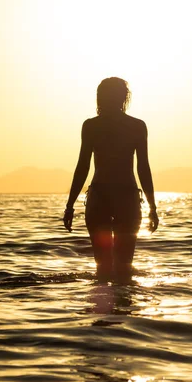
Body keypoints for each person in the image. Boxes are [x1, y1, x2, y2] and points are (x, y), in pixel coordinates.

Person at [64, 77, 158, 281]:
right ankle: (123, 309)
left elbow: (82, 167)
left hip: (100, 198)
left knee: (103, 269)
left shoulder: (91, 126)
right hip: (126, 198)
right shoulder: (136, 126)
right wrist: (152, 207)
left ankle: (102, 311)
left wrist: (70, 205)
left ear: (100, 98)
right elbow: (143, 168)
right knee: (124, 268)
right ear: (124, 98)